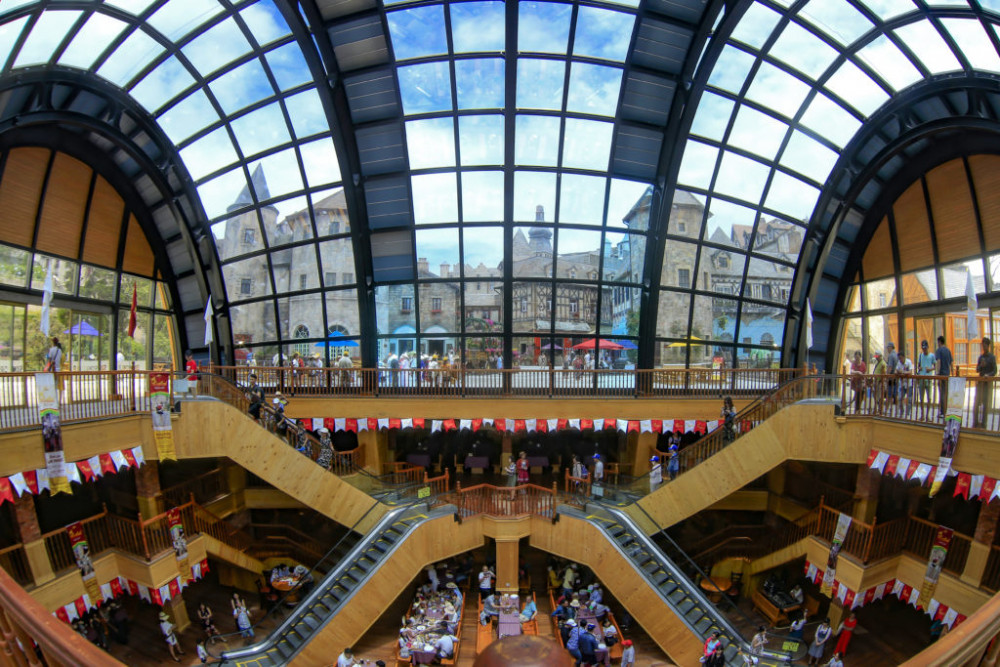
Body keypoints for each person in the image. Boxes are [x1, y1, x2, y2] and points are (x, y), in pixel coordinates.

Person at [975, 337, 997, 428]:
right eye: (982, 345)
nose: (984, 347)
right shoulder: (981, 357)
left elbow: (994, 371)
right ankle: (976, 422)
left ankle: (984, 423)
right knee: (977, 402)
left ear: (988, 346)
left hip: (988, 384)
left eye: (985, 345)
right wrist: (981, 365)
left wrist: (988, 375)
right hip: (980, 383)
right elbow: (977, 369)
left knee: (985, 403)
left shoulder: (992, 357)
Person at [917, 339, 936, 421]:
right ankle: (922, 414)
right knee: (921, 397)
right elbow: (918, 365)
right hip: (922, 378)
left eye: (925, 348)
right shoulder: (920, 355)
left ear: (928, 347)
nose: (924, 350)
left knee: (929, 398)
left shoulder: (932, 356)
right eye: (923, 348)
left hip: (929, 378)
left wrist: (930, 369)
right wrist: (920, 368)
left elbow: (935, 366)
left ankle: (927, 415)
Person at [935, 335, 953, 418]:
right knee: (946, 393)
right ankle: (947, 410)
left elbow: (938, 361)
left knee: (942, 393)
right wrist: (952, 373)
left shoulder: (939, 351)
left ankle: (943, 411)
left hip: (941, 374)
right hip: (947, 374)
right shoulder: (948, 350)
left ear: (939, 342)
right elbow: (951, 362)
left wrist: (937, 373)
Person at [897, 349, 914, 417]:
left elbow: (910, 371)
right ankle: (902, 411)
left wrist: (904, 372)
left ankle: (908, 412)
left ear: (904, 357)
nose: (900, 360)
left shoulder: (908, 362)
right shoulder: (899, 363)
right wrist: (898, 372)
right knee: (900, 398)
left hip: (908, 383)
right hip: (902, 384)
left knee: (909, 399)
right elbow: (896, 370)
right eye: (899, 358)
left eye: (901, 358)